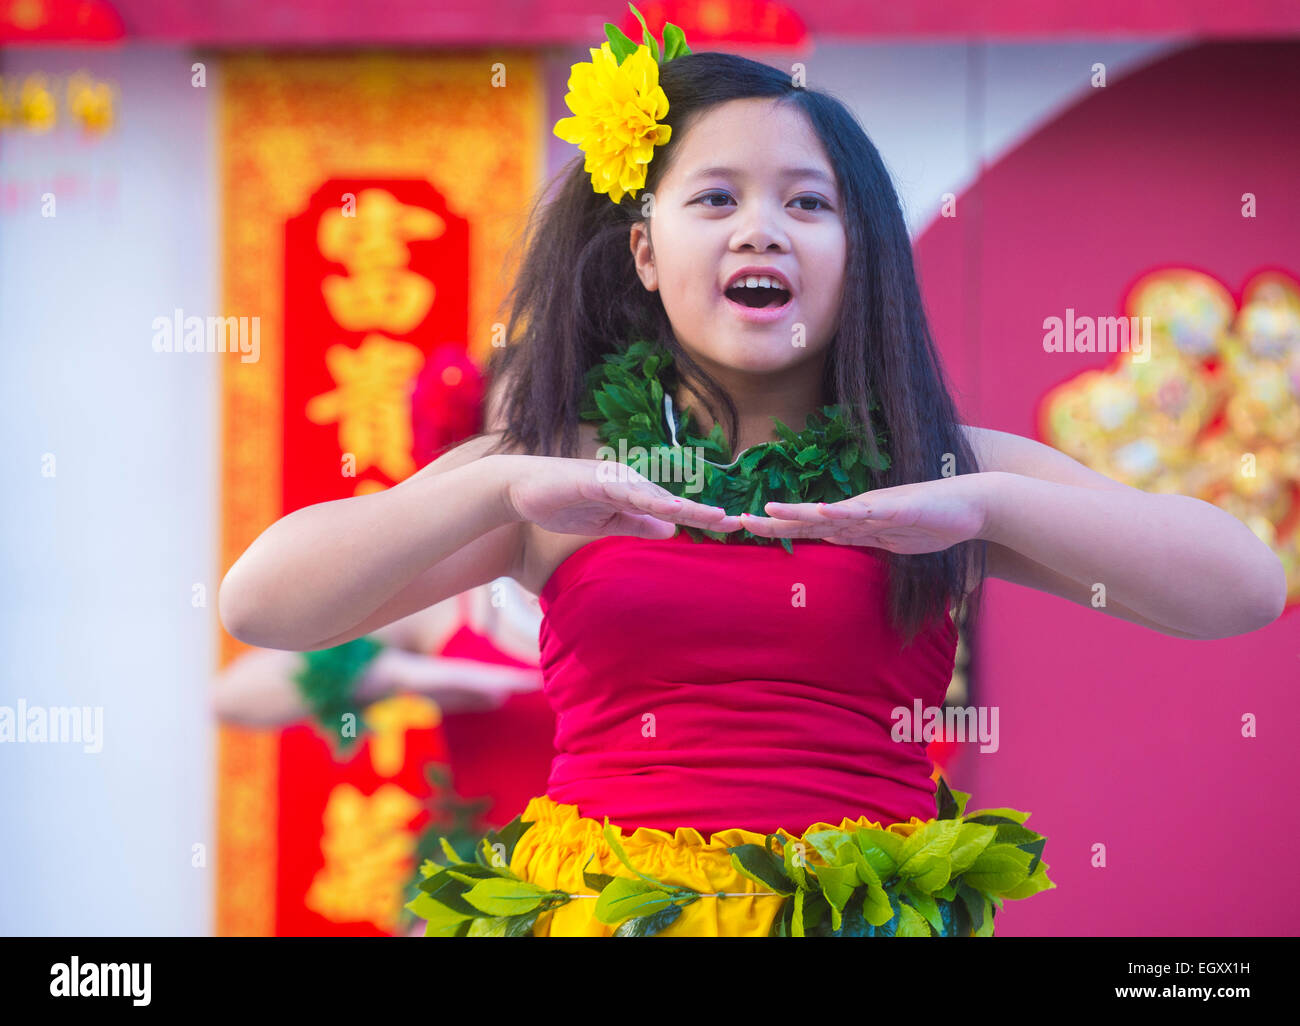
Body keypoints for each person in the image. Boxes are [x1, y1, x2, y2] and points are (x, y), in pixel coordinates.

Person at [218, 6, 1287, 937]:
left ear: (855, 251)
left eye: (807, 204)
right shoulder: (551, 475)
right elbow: (262, 603)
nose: (760, 230)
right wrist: (495, 486)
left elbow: (1240, 589)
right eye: (715, 199)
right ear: (643, 251)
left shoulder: (940, 473)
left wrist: (986, 504)